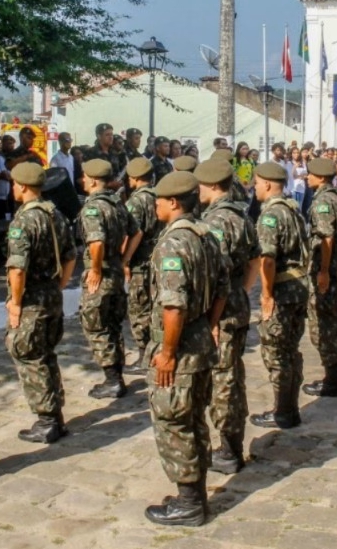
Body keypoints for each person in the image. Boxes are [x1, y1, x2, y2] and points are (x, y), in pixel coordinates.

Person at [143, 171, 226, 527]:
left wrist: (167, 351)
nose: (156, 206)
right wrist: (209, 323)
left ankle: (190, 503)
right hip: (200, 340)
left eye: (159, 201)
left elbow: (173, 306)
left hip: (180, 346)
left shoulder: (174, 244)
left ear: (173, 202)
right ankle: (193, 494)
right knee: (192, 419)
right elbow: (223, 287)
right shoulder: (205, 234)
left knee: (174, 421)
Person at [195, 158, 260, 474]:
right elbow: (254, 260)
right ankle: (231, 445)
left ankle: (229, 450)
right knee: (231, 374)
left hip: (221, 314)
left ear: (210, 186)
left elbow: (216, 277)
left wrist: (211, 321)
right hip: (236, 304)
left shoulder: (217, 222)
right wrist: (243, 290)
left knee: (224, 380)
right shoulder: (241, 216)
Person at [4, 162, 77, 443]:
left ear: (22, 186)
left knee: (29, 355)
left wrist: (15, 302)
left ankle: (46, 421)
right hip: (51, 295)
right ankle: (55, 416)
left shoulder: (24, 221)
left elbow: (17, 269)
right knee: (46, 354)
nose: (13, 188)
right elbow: (71, 255)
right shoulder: (54, 214)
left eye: (14, 183)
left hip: (32, 298)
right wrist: (59, 284)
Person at [249, 162, 311, 430]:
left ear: (267, 184)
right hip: (298, 287)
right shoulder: (291, 209)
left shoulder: (271, 215)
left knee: (277, 353)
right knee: (290, 350)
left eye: (256, 183)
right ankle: (290, 408)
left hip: (283, 291)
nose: (254, 187)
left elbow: (268, 259)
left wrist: (266, 295)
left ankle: (282, 411)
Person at [79, 158, 132, 398]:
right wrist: (123, 259)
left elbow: (96, 241)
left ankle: (112, 380)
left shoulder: (93, 207)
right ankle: (117, 374)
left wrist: (96, 270)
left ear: (91, 180)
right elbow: (136, 231)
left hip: (100, 273)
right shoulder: (117, 203)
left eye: (83, 177)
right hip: (116, 271)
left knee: (97, 326)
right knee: (112, 325)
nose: (82, 180)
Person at [302, 157, 337, 398]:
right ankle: (336, 376)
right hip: (336, 266)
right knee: (331, 321)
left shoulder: (323, 201)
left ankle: (333, 378)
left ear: (321, 177)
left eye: (310, 174)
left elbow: (326, 238)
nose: (306, 177)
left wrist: (323, 270)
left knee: (323, 325)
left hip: (326, 270)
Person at [121, 157, 161, 372]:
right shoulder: (158, 196)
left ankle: (145, 354)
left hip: (141, 261)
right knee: (154, 305)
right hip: (157, 258)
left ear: (134, 178)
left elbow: (134, 232)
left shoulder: (136, 201)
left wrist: (125, 259)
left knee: (139, 309)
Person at [82, 123, 126, 191]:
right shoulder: (90, 153)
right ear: (99, 136)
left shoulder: (114, 153)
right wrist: (109, 184)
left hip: (115, 193)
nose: (111, 137)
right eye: (107, 135)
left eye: (111, 134)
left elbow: (118, 172)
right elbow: (86, 178)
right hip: (98, 192)